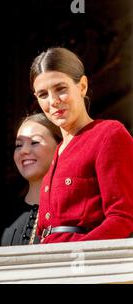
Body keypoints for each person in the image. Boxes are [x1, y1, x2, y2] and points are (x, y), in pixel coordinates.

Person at [30, 47, 133, 243]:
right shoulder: (56, 152)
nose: (53, 101)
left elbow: (123, 218)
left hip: (85, 268)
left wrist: (77, 255)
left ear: (82, 86)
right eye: (43, 94)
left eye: (61, 89)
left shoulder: (109, 134)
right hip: (46, 265)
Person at [0, 113, 61, 247]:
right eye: (18, 145)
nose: (24, 151)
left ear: (60, 147)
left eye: (35, 142)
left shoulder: (72, 211)